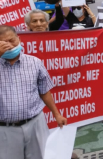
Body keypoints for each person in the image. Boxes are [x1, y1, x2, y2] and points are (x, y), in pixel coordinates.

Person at [0, 25, 67, 159]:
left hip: (35, 123)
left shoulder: (34, 62)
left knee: (41, 156)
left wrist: (57, 114)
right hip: (5, 129)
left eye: (12, 40)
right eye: (3, 43)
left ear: (19, 39)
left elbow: (44, 91)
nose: (9, 46)